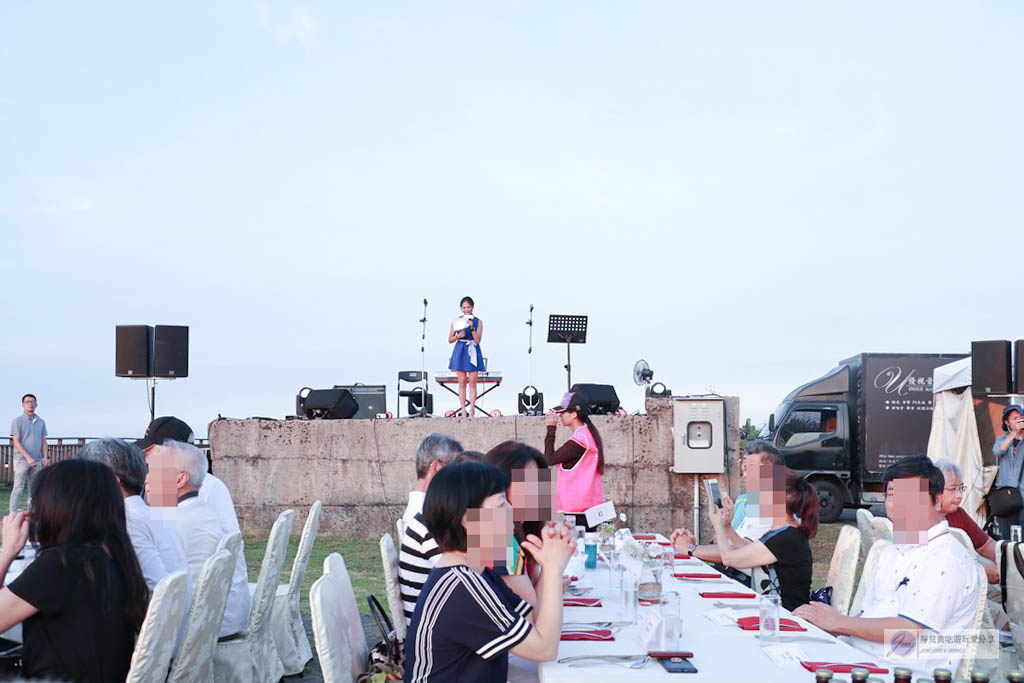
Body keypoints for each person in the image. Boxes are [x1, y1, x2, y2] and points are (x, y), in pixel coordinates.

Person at [794, 455, 980, 677]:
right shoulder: (893, 550)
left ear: (937, 500)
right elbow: (870, 615)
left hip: (901, 674)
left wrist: (839, 623)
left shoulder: (946, 558)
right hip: (858, 662)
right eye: (892, 494)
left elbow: (907, 630)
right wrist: (825, 624)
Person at [404, 462, 575, 682]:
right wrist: (553, 568)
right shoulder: (463, 586)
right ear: (467, 520)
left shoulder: (476, 571)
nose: (511, 511)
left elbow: (532, 618)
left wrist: (548, 565)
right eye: (501, 504)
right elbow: (544, 649)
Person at [0, 459, 149, 683]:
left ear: (57, 505)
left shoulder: (64, 563)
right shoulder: (110, 552)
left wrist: (8, 551)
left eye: (37, 501)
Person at [148, 440, 251, 637]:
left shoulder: (171, 525)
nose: (146, 479)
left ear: (180, 480)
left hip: (193, 629)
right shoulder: (204, 514)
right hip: (215, 615)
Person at [77, 437, 189, 592]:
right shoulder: (152, 515)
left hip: (153, 614)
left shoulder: (127, 521)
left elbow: (157, 588)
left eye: (85, 478)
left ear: (112, 481)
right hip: (176, 611)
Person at [670, 441, 783, 585]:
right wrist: (723, 529)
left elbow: (740, 553)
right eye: (744, 469)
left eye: (753, 469)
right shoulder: (755, 500)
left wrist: (691, 549)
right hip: (732, 575)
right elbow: (730, 546)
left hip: (748, 584)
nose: (746, 475)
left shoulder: (774, 506)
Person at [707, 465, 817, 610]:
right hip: (776, 612)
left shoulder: (787, 538)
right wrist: (727, 526)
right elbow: (747, 550)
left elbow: (729, 559)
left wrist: (718, 526)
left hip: (787, 617)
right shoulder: (782, 531)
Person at [399, 433, 463, 620]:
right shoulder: (428, 519)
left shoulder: (424, 512)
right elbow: (469, 578)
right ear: (436, 468)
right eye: (458, 471)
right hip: (437, 623)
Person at [543, 391, 604, 530]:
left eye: (564, 412)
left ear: (574, 414)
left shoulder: (580, 440)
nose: (560, 416)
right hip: (590, 503)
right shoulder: (589, 435)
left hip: (578, 506)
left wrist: (551, 430)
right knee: (589, 544)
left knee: (581, 546)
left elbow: (549, 459)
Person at [9, 394, 47, 513]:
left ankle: (31, 513)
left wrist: (45, 457)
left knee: (34, 489)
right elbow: (16, 441)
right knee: (18, 488)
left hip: (37, 460)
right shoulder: (17, 421)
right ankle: (12, 513)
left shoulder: (41, 422)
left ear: (36, 405)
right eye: (27, 402)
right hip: (21, 459)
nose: (30, 404)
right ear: (23, 405)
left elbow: (44, 441)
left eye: (32, 402)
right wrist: (28, 458)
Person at [447, 296, 484, 417]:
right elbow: (450, 339)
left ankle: (472, 408)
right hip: (461, 349)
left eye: (468, 307)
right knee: (461, 382)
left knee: (473, 382)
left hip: (472, 348)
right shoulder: (456, 321)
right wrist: (458, 336)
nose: (466, 309)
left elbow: (478, 340)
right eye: (464, 307)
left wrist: (472, 328)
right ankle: (463, 409)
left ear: (472, 307)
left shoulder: (478, 322)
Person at [991, 404, 1024, 539]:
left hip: (1022, 497)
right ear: (1007, 422)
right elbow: (998, 451)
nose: (1019, 420)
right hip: (1006, 498)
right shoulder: (1002, 439)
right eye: (1014, 418)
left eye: (1021, 417)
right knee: (1006, 537)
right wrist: (1014, 434)